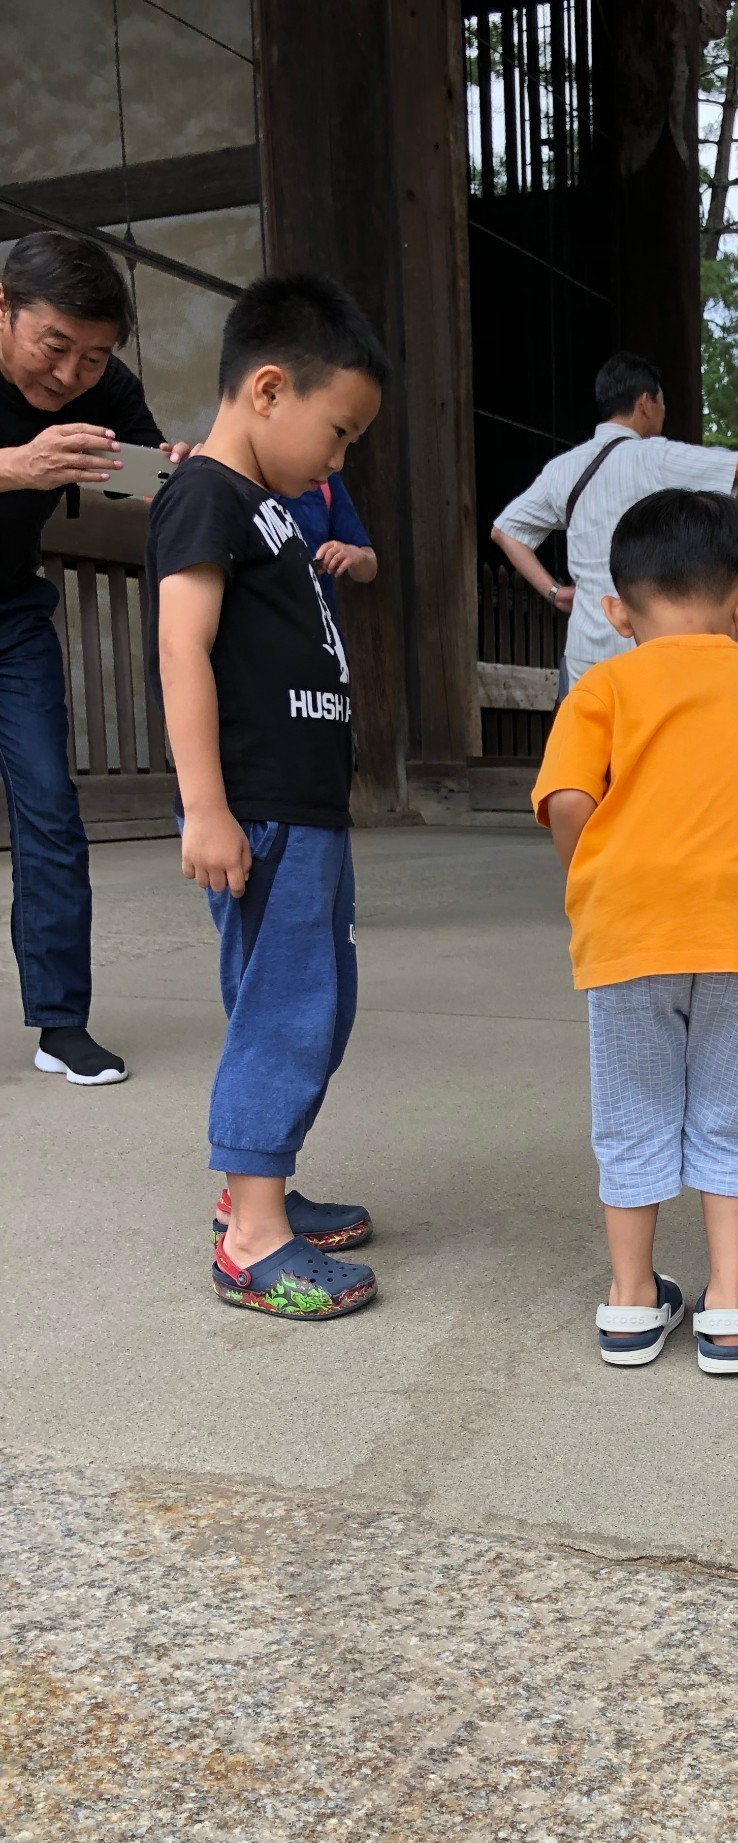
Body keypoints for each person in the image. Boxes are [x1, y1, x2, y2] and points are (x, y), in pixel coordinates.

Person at [531, 488, 738, 1376]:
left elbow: (566, 799)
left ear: (614, 609)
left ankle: (632, 1305)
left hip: (631, 936)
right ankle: (726, 1308)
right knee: (722, 1117)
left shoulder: (602, 686)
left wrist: (591, 876)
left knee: (632, 1118)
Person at [147, 273, 388, 1319]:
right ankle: (252, 1238)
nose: (337, 463)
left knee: (309, 1004)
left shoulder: (272, 510)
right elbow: (181, 646)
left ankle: (259, 1186)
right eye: (336, 435)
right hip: (260, 810)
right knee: (284, 1011)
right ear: (268, 390)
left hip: (305, 808)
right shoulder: (205, 492)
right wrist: (206, 805)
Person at [0, 230, 190, 1084]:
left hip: (11, 613)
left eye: (93, 356)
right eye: (54, 347)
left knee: (48, 807)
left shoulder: (104, 384)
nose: (71, 375)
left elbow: (146, 476)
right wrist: (16, 466)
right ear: (2, 310)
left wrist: (173, 468)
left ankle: (60, 1024)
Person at [492, 350, 738, 697]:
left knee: (587, 752)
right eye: (662, 403)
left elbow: (506, 530)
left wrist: (554, 593)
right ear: (645, 401)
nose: (663, 412)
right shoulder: (654, 458)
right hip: (646, 654)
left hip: (586, 658)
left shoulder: (563, 469)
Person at [280, 471, 376, 626]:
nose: (336, 462)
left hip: (321, 633)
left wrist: (356, 555)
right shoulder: (240, 485)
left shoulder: (325, 481)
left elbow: (369, 568)